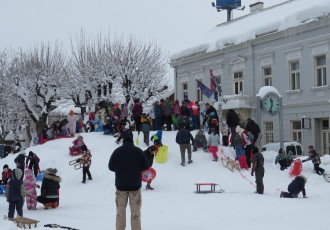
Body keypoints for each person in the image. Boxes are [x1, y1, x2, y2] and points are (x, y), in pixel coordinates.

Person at [108, 136, 149, 230]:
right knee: (136, 213)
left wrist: (119, 169)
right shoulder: (138, 151)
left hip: (121, 186)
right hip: (135, 186)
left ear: (123, 141)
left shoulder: (117, 151)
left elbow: (110, 166)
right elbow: (146, 166)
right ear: (132, 141)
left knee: (120, 213)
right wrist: (137, 168)